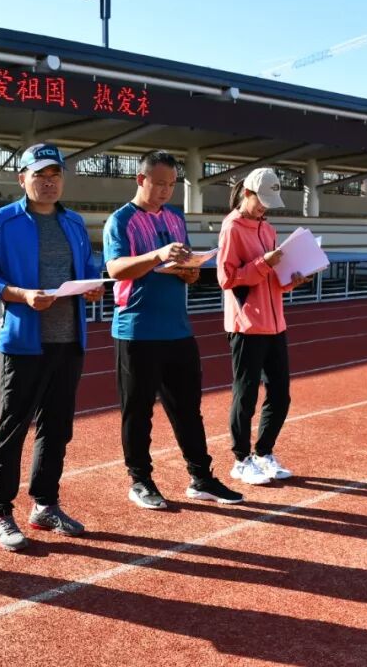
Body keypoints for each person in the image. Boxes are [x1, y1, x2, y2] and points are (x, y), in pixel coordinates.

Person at [0, 143, 105, 551]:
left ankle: (45, 504)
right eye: (40, 175)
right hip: (23, 343)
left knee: (57, 428)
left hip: (69, 340)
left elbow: (87, 267)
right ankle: (0, 511)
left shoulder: (74, 222)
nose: (48, 182)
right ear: (23, 179)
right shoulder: (3, 221)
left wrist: (93, 285)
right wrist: (20, 294)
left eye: (55, 175)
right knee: (12, 429)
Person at [102, 150, 243, 510]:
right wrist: (157, 256)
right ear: (141, 180)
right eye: (159, 184)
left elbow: (183, 265)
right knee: (138, 411)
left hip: (178, 329)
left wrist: (191, 271)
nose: (166, 191)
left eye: (171, 185)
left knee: (187, 409)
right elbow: (116, 269)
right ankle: (140, 480)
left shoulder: (176, 217)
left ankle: (201, 477)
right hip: (136, 331)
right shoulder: (121, 221)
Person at [216, 167, 311, 487]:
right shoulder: (231, 228)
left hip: (275, 323)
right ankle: (240, 460)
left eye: (269, 203)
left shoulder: (268, 229)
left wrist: (292, 280)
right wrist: (264, 263)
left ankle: (264, 453)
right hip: (246, 325)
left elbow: (270, 280)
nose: (264, 208)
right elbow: (227, 279)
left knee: (281, 395)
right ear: (247, 193)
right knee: (245, 397)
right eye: (261, 201)